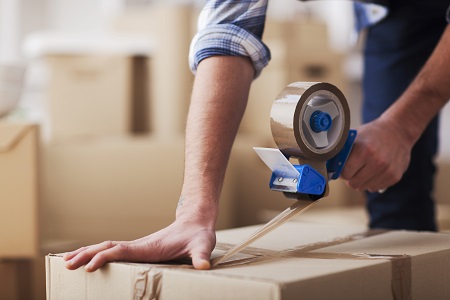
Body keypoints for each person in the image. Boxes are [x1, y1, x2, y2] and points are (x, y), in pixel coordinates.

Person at [64, 0, 450, 271]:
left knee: (399, 145)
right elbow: (227, 35)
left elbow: (401, 128)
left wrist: (402, 126)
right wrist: (194, 213)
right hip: (396, 11)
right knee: (387, 185)